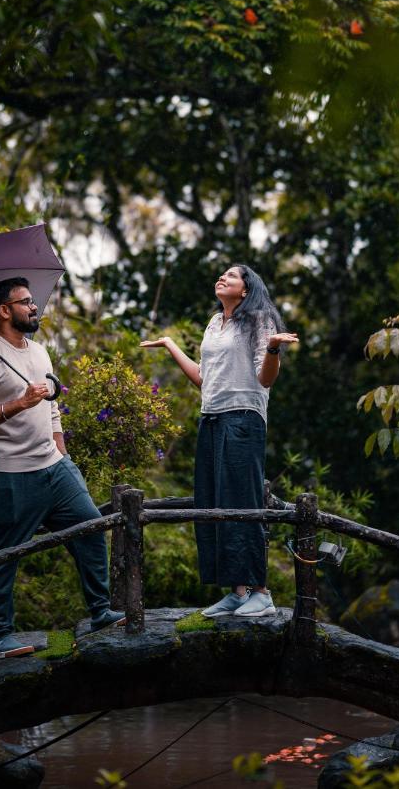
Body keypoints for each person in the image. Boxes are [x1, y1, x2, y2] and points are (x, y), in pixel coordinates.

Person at [0, 277, 125, 658]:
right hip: (7, 475)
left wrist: (63, 455)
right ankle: (1, 637)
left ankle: (100, 611)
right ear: (4, 311)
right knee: (2, 555)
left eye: (33, 301)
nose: (35, 307)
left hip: (54, 467)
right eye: (26, 301)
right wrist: (19, 403)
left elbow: (52, 408)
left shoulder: (39, 352)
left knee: (90, 528)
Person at [141, 264, 298, 617]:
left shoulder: (259, 321)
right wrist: (169, 345)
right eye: (222, 274)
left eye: (232, 275)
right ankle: (238, 592)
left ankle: (261, 592)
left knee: (243, 502)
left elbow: (266, 379)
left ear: (246, 289)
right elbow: (204, 379)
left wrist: (273, 349)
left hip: (243, 418)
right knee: (214, 502)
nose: (223, 277)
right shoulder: (215, 323)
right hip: (211, 417)